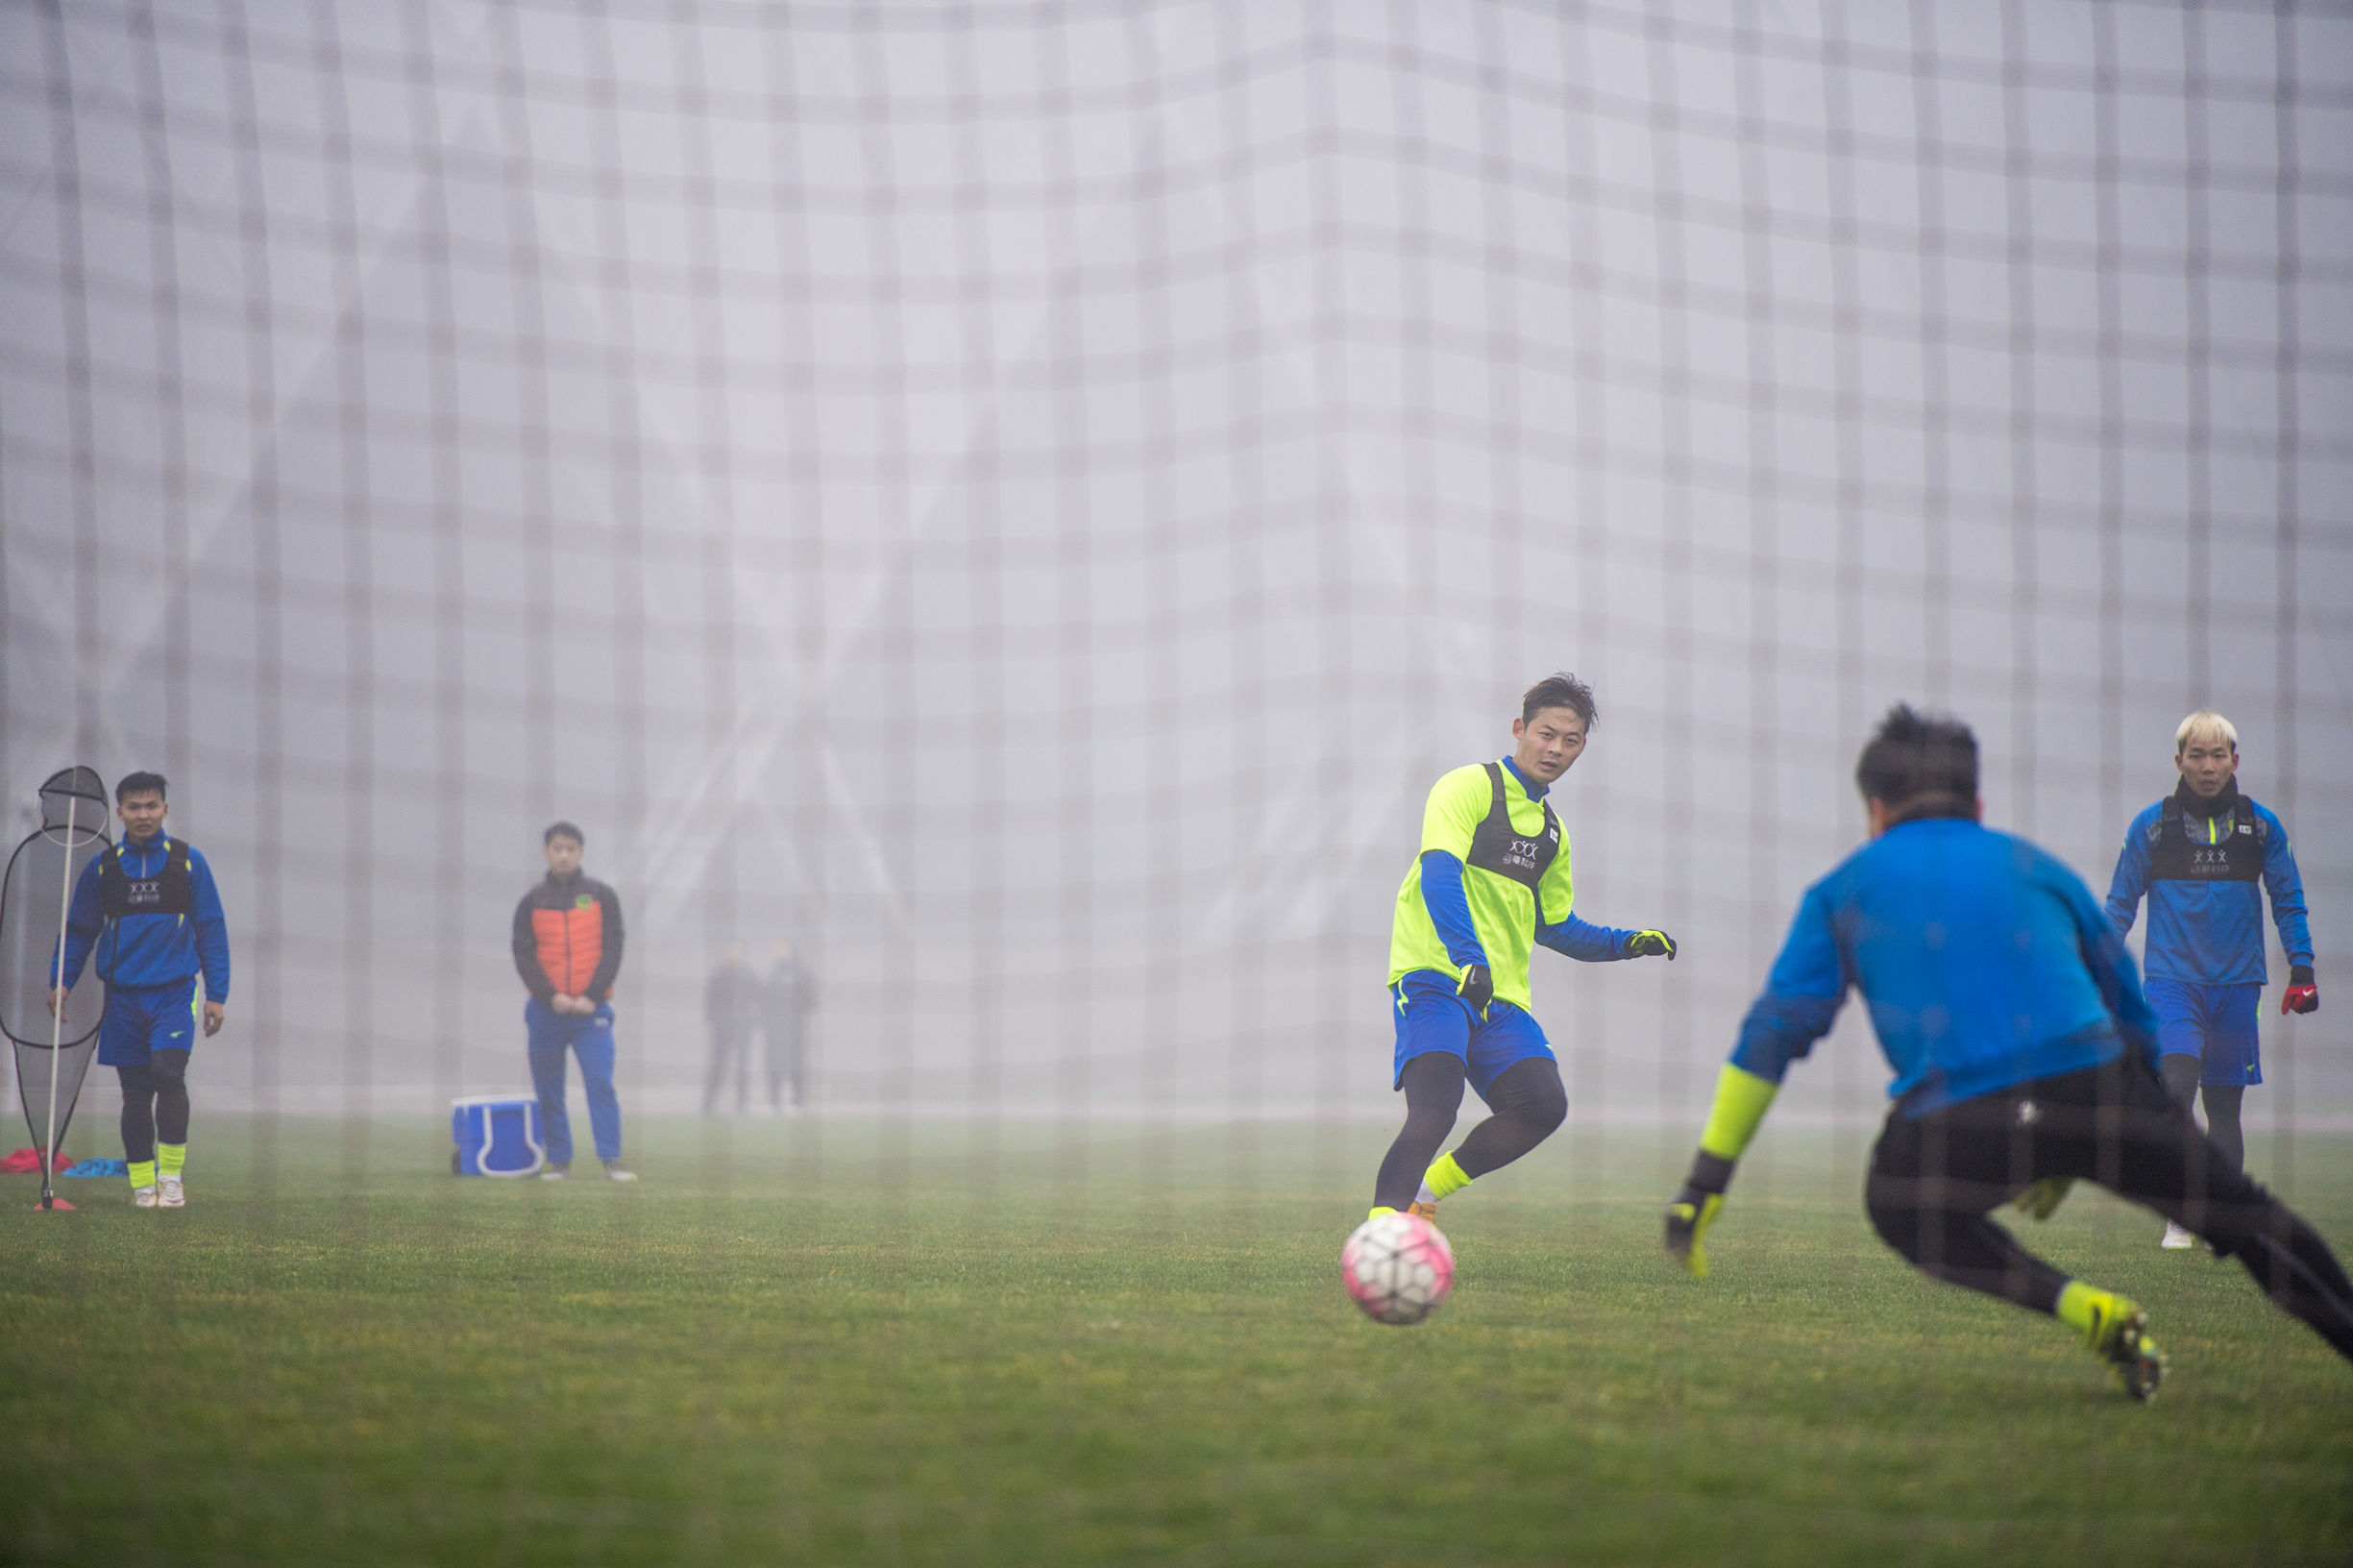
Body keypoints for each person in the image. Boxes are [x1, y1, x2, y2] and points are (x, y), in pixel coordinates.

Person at [1663, 705, 2353, 1400]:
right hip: (2102, 1088)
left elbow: (1771, 1033)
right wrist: (2128, 1128)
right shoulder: (2037, 869)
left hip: (1961, 1118)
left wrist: (1706, 1181)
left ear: (1874, 811)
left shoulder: (1840, 890)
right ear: (1978, 803)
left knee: (1896, 1203)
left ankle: (2078, 1305)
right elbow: (2133, 1013)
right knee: (2247, 1220)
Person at [1369, 673, 1678, 1221]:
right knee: (1434, 1113)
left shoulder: (1552, 834)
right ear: (1520, 728)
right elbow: (1438, 874)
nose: (1555, 748)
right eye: (1546, 733)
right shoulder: (1467, 787)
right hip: (1436, 979)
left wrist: (1625, 943)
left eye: (1571, 740)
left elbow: (1555, 926)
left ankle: (1426, 1195)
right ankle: (1377, 1239)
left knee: (1541, 1105)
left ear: (1582, 747)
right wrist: (1469, 959)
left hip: (1500, 999)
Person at [2103, 712, 2315, 1248]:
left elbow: (2288, 900)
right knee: (2175, 1092)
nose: (2207, 766)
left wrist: (2303, 967)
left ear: (2234, 762)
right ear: (2179, 762)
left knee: (2224, 1107)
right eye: (2196, 756)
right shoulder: (2150, 827)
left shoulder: (2262, 827)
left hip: (2239, 987)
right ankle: (2180, 1214)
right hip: (2171, 984)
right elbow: (2119, 904)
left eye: (2218, 755)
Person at [47, 772, 229, 1209]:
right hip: (123, 998)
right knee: (134, 1093)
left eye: (151, 806)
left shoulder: (188, 862)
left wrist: (217, 994)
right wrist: (61, 980)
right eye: (134, 807)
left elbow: (211, 929)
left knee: (168, 1075)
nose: (143, 814)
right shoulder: (104, 870)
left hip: (173, 994)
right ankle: (143, 1186)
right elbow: (78, 931)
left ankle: (171, 1179)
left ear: (164, 809)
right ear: (120, 812)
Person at [511, 821, 634, 1182]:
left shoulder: (601, 896)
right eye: (557, 848)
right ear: (547, 852)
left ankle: (611, 1160)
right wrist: (553, 997)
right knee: (549, 1088)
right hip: (546, 1013)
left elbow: (613, 949)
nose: (563, 855)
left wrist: (590, 996)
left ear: (581, 853)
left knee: (600, 1082)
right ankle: (560, 1161)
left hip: (591, 1013)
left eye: (570, 849)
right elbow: (523, 955)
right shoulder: (531, 902)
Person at [700, 943, 759, 1115]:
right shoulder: (720, 973)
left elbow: (758, 1001)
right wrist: (714, 1020)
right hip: (723, 1028)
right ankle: (708, 1103)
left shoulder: (750, 974)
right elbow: (710, 999)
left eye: (739, 950)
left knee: (743, 1066)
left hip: (742, 1028)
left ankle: (742, 1103)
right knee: (718, 1065)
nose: (735, 953)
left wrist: (752, 1020)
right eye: (733, 950)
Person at [762, 937, 815, 1112]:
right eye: (774, 948)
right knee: (773, 1063)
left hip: (794, 1029)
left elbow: (812, 1000)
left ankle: (798, 1102)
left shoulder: (801, 972)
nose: (776, 952)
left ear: (789, 949)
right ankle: (774, 1101)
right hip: (774, 1029)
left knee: (795, 1063)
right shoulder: (773, 972)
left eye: (780, 948)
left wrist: (794, 1013)